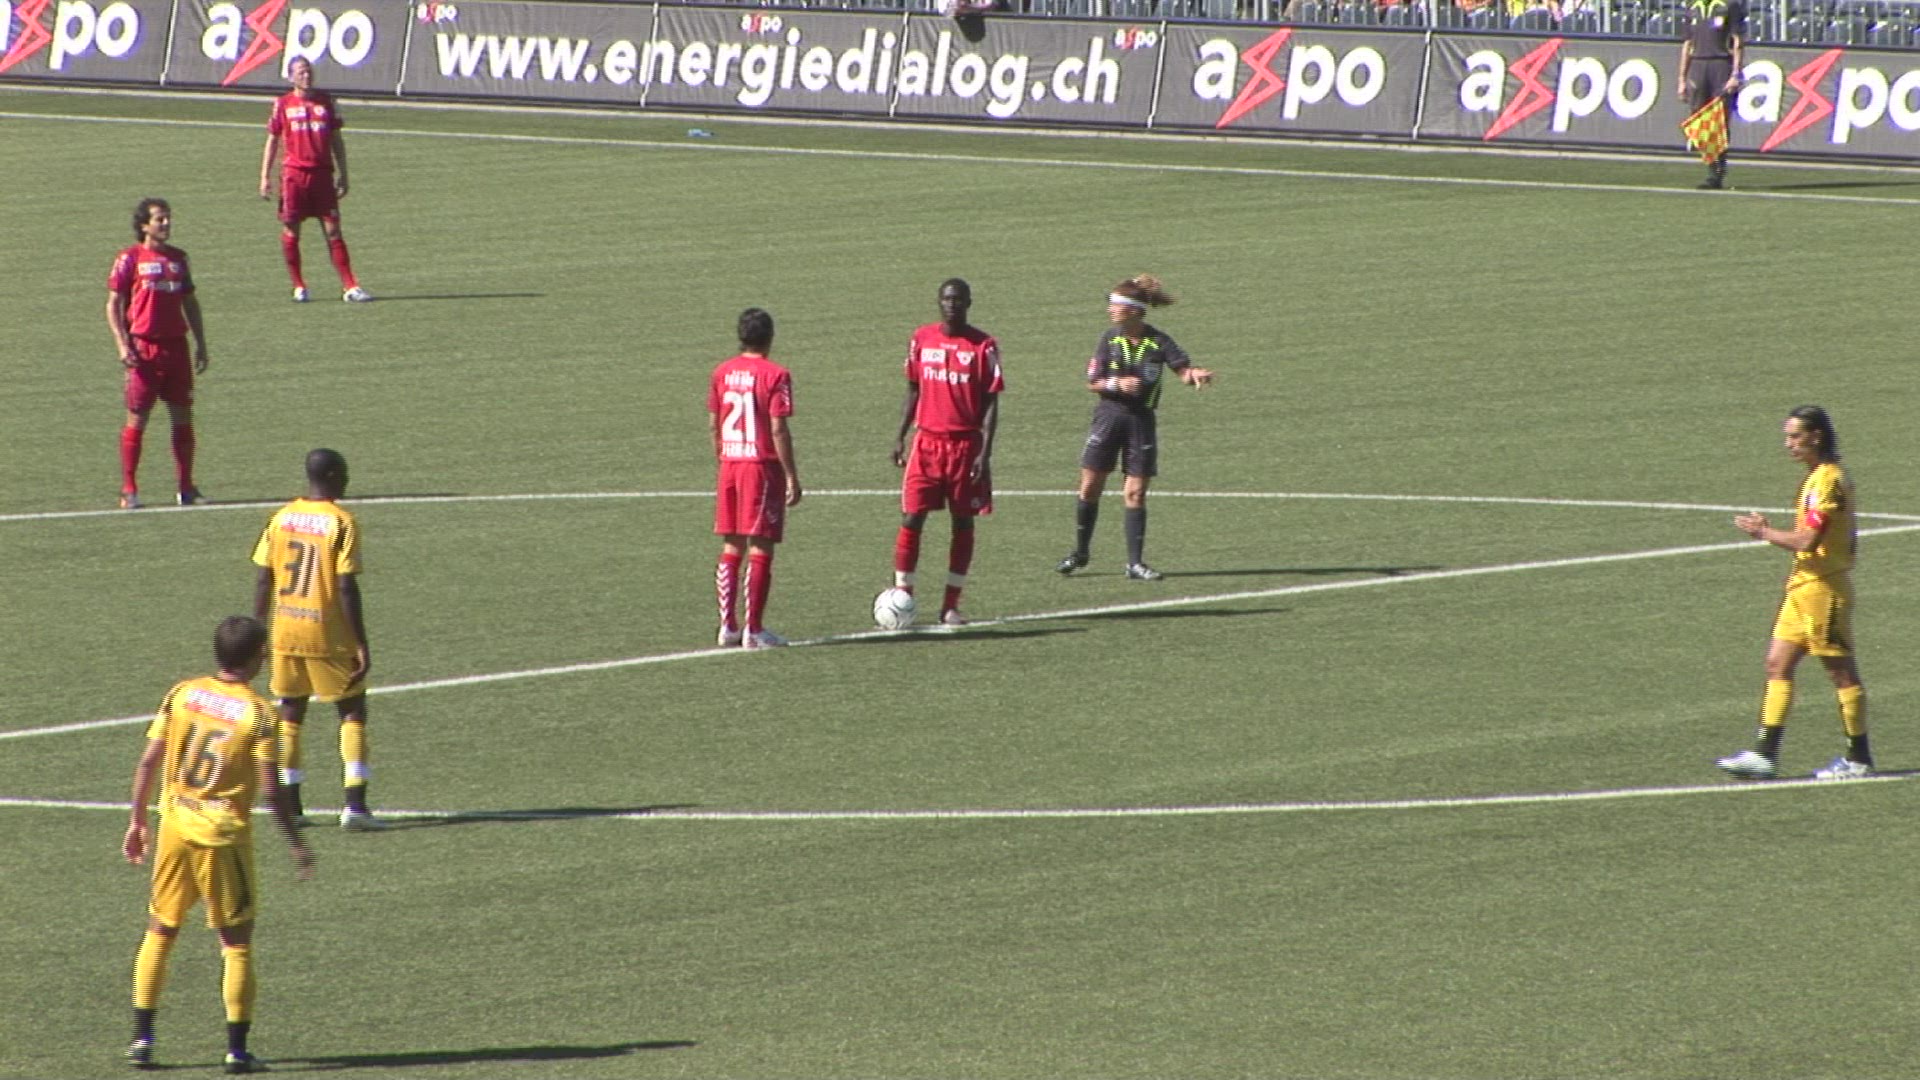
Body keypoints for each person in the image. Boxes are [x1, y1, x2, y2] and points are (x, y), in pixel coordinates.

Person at [123, 615, 314, 1075]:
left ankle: (142, 1038)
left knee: (161, 928)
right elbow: (271, 789)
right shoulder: (259, 714)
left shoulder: (182, 693)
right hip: (221, 839)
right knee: (235, 942)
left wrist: (137, 820)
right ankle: (237, 1050)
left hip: (174, 827)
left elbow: (148, 761)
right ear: (257, 657)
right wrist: (295, 841)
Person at [1717, 406, 1873, 781]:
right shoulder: (1815, 477)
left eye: (1795, 436)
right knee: (1777, 664)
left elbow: (1807, 540)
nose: (1788, 444)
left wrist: (1764, 533)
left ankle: (1859, 759)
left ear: (1816, 436)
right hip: (1802, 586)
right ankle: (1764, 754)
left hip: (1824, 590)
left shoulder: (1828, 481)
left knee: (1841, 674)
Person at [252, 448, 381, 828]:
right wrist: (360, 642)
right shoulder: (341, 522)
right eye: (345, 474)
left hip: (285, 629)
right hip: (327, 632)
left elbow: (263, 578)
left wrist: (259, 630)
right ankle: (355, 805)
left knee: (291, 712)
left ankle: (292, 806)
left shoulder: (281, 518)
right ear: (333, 477)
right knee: (352, 711)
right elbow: (345, 586)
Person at [1056, 275, 1214, 582]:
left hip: (1141, 422)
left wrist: (1194, 375)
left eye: (1116, 305)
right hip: (1108, 418)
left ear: (1134, 310)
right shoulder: (1108, 340)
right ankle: (1081, 552)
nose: (1110, 310)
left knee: (1136, 492)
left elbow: (1181, 369)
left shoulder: (1159, 341)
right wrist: (1116, 384)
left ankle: (1134, 563)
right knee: (1089, 487)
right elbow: (1093, 382)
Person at [891, 279, 1004, 627]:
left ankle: (951, 605)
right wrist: (899, 435)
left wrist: (984, 453)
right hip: (926, 443)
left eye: (958, 299)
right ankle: (903, 596)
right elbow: (913, 389)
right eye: (946, 299)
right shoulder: (921, 339)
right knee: (912, 516)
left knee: (963, 521)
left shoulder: (983, 346)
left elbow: (991, 402)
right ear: (938, 302)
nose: (952, 305)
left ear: (969, 303)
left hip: (965, 446)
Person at [106, 197, 210, 510]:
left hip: (176, 347)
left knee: (183, 415)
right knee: (138, 418)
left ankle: (186, 487)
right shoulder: (129, 258)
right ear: (144, 225)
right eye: (159, 219)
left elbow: (190, 302)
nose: (166, 224)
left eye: (168, 218)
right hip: (143, 349)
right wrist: (122, 344)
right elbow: (113, 304)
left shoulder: (179, 259)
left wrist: (201, 342)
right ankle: (129, 489)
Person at [709, 308, 802, 649]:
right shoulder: (776, 375)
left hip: (730, 464)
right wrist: (791, 475)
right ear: (770, 337)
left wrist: (724, 458)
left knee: (731, 544)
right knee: (761, 545)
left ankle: (728, 625)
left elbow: (713, 423)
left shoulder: (722, 372)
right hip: (759, 467)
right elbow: (778, 429)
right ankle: (754, 629)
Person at [260, 57, 371, 303]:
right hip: (294, 176)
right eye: (301, 72)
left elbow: (336, 139)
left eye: (308, 71)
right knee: (291, 230)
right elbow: (273, 139)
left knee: (333, 230)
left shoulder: (327, 102)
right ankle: (299, 286)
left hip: (322, 175)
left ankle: (350, 286)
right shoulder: (283, 104)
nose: (306, 76)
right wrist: (264, 176)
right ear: (291, 77)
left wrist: (344, 173)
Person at [1677, 0, 1745, 190]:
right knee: (1699, 118)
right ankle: (1710, 161)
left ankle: (1716, 172)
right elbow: (1687, 44)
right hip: (1698, 64)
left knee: (1718, 120)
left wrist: (1735, 74)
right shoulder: (1692, 7)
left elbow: (1737, 41)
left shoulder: (1729, 5)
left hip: (1721, 64)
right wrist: (1682, 78)